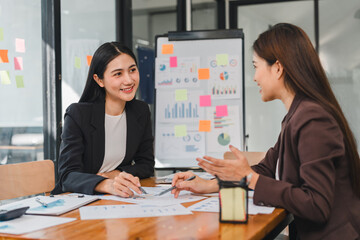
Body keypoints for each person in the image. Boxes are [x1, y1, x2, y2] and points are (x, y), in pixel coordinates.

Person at [171, 23, 360, 239]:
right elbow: (267, 168)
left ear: (278, 68)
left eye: (255, 66)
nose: (254, 77)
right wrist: (208, 185)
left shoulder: (312, 118)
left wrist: (248, 177)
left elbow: (316, 204)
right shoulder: (296, 114)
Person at [52, 42, 154, 197]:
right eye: (118, 74)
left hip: (116, 198)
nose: (128, 80)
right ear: (99, 80)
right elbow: (67, 176)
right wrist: (105, 184)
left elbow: (146, 165)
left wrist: (116, 174)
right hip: (78, 199)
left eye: (132, 70)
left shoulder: (140, 111)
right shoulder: (78, 115)